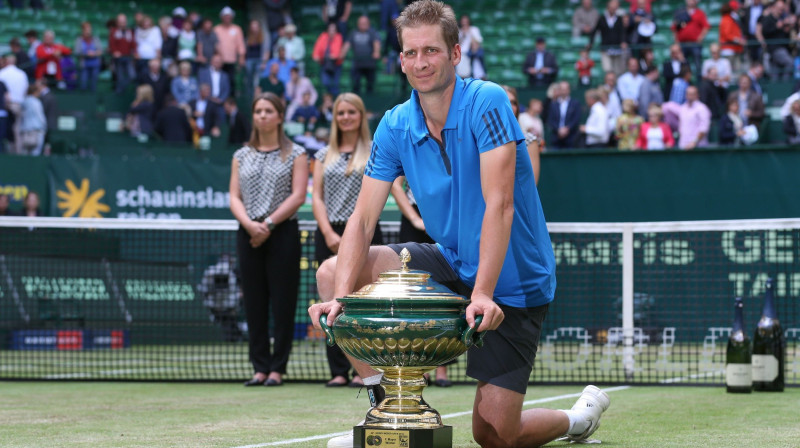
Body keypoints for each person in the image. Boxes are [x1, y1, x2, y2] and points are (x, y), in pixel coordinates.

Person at [308, 3, 610, 448]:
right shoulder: (393, 124)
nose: (420, 62)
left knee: (495, 436)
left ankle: (576, 420)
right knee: (333, 274)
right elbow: (364, 217)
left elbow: (500, 205)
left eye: (431, 50)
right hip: (451, 263)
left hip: (513, 281)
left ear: (455, 53)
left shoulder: (487, 101)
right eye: (411, 53)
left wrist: (483, 292)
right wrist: (341, 300)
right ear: (401, 60)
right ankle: (387, 412)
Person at [230, 92, 308, 387]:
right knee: (253, 302)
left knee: (283, 303)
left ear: (280, 116)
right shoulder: (241, 155)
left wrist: (268, 224)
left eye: (268, 111)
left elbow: (298, 195)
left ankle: (277, 369)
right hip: (248, 234)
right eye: (258, 111)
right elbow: (234, 196)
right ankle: (260, 368)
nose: (262, 115)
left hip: (282, 233)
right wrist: (251, 226)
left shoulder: (297, 154)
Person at [311, 93, 382, 389]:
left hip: (365, 231)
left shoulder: (375, 149)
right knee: (332, 296)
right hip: (329, 232)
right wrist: (328, 232)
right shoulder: (322, 155)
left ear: (361, 115)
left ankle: (365, 369)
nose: (346, 117)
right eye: (341, 113)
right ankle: (339, 369)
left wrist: (357, 235)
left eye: (352, 112)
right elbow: (316, 196)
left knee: (364, 302)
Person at [198, 254, 244, 342]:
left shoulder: (233, 273)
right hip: (215, 306)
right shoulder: (211, 272)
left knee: (229, 322)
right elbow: (204, 289)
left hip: (227, 306)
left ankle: (235, 337)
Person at [504, 85, 541, 183]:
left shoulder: (529, 139)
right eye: (506, 101)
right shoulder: (485, 140)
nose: (511, 106)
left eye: (514, 103)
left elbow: (531, 184)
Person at [341, 15, 381, 95]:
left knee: (370, 85)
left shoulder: (372, 32)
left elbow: (376, 43)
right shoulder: (353, 33)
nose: (362, 25)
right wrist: (342, 54)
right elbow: (347, 44)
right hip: (357, 63)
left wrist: (376, 52)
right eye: (360, 23)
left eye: (364, 23)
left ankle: (370, 99)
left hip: (369, 63)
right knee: (355, 85)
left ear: (368, 24)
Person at [671, 0, 710, 78]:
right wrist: (676, 41)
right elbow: (674, 28)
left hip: (694, 44)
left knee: (697, 63)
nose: (691, 1)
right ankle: (683, 80)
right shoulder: (680, 12)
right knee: (682, 64)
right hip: (682, 44)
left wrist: (700, 38)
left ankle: (699, 80)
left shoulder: (700, 13)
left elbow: (706, 26)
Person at [589, 0, 628, 76]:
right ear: (608, 8)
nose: (613, 9)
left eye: (615, 8)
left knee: (618, 71)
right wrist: (591, 42)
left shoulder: (619, 19)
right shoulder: (602, 19)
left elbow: (622, 32)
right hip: (606, 49)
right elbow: (594, 31)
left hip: (617, 49)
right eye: (611, 8)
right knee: (608, 70)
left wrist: (623, 41)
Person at [0, 54, 29, 155]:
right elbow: (26, 91)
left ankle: (9, 152)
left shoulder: (2, 73)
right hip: (19, 104)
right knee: (17, 130)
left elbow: (5, 94)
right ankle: (18, 152)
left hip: (6, 106)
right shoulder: (22, 74)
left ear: (7, 62)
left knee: (6, 131)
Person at [214, 6, 246, 96]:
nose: (227, 18)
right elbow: (215, 45)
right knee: (219, 81)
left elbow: (240, 45)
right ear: (222, 18)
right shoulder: (217, 29)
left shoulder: (237, 29)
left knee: (231, 81)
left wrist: (241, 58)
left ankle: (231, 99)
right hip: (220, 61)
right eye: (225, 16)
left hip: (232, 61)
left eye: (229, 16)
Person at [312, 22, 345, 96]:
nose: (332, 32)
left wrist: (333, 56)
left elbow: (337, 52)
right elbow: (317, 48)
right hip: (325, 64)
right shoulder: (323, 36)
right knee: (325, 82)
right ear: (327, 30)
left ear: (336, 31)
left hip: (336, 65)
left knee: (335, 84)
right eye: (330, 29)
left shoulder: (338, 37)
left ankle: (335, 98)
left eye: (333, 30)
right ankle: (330, 97)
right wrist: (316, 55)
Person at [547, 81, 582, 149]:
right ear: (559, 90)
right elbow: (550, 120)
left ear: (569, 90)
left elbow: (576, 119)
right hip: (556, 139)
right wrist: (558, 130)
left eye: (565, 89)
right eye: (562, 89)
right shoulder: (553, 104)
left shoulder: (575, 103)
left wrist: (567, 129)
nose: (564, 91)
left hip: (571, 139)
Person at [109, 14, 136, 93]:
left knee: (132, 76)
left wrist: (135, 52)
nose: (122, 24)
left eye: (124, 22)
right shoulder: (114, 31)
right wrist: (114, 51)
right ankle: (119, 92)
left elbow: (133, 44)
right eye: (121, 22)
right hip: (118, 59)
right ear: (117, 23)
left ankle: (121, 89)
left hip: (128, 57)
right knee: (120, 77)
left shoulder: (129, 32)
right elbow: (111, 44)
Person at [245, 20, 270, 100]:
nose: (254, 28)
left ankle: (257, 96)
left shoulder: (264, 37)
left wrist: (264, 62)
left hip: (259, 60)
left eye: (256, 27)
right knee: (249, 79)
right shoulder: (248, 37)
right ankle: (249, 96)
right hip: (249, 60)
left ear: (259, 27)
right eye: (253, 27)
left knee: (257, 80)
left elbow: (266, 50)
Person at [74, 22, 102, 92]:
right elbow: (76, 52)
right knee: (83, 84)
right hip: (84, 65)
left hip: (95, 64)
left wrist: (94, 53)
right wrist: (86, 54)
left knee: (93, 85)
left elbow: (100, 51)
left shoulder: (95, 39)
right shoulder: (79, 40)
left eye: (89, 29)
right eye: (86, 29)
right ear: (83, 30)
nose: (88, 31)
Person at [19, 84, 46, 156]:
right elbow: (40, 116)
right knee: (36, 151)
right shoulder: (36, 102)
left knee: (25, 151)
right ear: (34, 92)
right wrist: (44, 126)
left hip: (25, 129)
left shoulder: (24, 102)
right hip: (36, 129)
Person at [719, 3, 745, 73]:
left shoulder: (731, 19)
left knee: (736, 70)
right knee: (729, 71)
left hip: (734, 48)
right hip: (728, 49)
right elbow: (727, 35)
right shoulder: (727, 19)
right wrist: (738, 40)